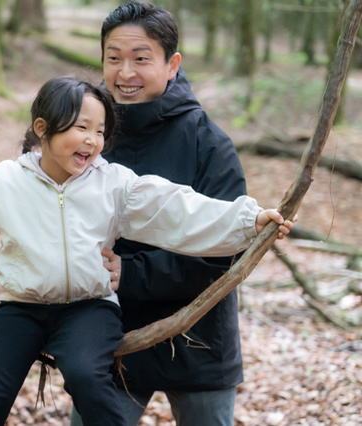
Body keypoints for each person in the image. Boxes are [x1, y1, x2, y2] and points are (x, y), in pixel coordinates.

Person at [0, 76, 294, 426]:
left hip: (88, 310)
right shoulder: (3, 183)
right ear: (42, 129)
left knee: (89, 379)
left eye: (99, 131)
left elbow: (176, 210)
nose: (92, 140)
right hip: (21, 309)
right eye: (79, 128)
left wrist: (247, 221)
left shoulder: (114, 184)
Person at [70, 2, 276, 425]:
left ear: (172, 64)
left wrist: (132, 273)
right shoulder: (90, 137)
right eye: (114, 58)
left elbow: (227, 250)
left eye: (141, 58)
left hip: (198, 338)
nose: (125, 73)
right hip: (112, 335)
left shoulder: (209, 144)